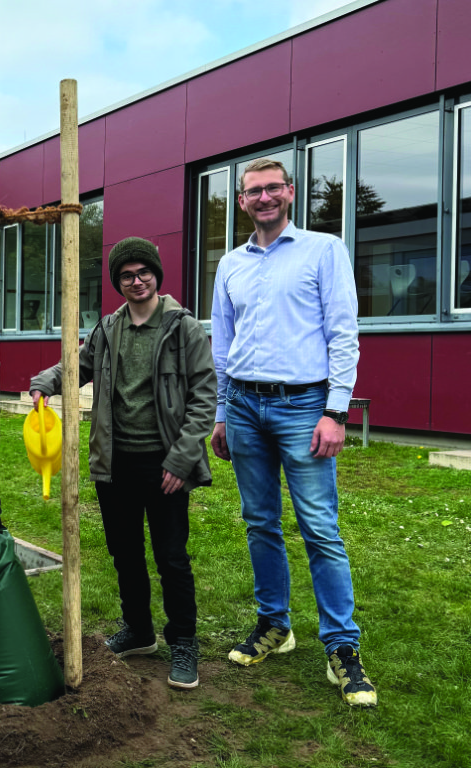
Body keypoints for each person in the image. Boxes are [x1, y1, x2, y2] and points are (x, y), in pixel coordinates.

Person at [210, 158, 376, 708]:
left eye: (272, 189)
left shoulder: (323, 250)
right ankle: (274, 626)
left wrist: (336, 411)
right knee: (260, 523)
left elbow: (342, 332)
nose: (263, 198)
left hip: (304, 407)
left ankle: (343, 648)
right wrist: (222, 412)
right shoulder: (230, 264)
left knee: (320, 528)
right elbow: (222, 345)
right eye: (252, 191)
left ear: (290, 192)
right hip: (246, 406)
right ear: (240, 201)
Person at [29, 237, 217, 690]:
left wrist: (182, 458)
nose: (137, 281)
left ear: (156, 275)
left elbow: (204, 396)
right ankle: (139, 631)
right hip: (115, 463)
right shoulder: (109, 328)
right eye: (127, 276)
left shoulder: (182, 327)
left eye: (143, 273)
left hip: (166, 464)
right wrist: (44, 384)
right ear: (118, 283)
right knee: (125, 553)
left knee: (171, 557)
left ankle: (183, 641)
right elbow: (77, 365)